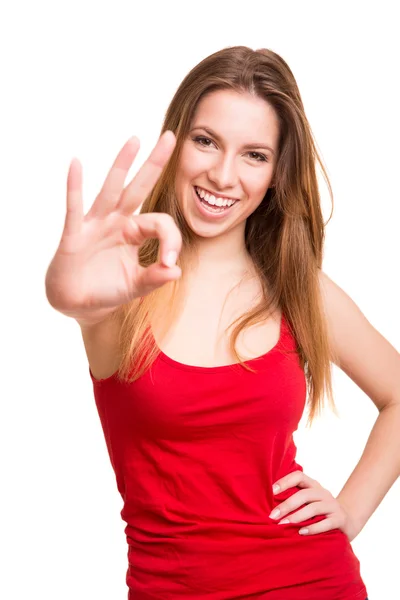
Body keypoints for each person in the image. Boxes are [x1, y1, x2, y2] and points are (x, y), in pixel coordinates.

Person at [45, 45, 400, 599]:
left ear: (277, 174)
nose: (223, 174)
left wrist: (350, 511)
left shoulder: (300, 292)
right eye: (206, 141)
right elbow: (80, 302)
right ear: (177, 140)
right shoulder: (120, 289)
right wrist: (67, 294)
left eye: (254, 155)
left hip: (314, 583)